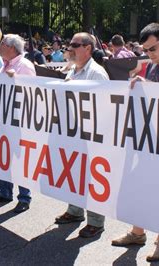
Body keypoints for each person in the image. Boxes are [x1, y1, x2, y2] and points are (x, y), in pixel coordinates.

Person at [112, 23, 159, 262]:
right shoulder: (153, 63)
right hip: (148, 139)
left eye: (152, 48)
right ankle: (137, 232)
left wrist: (147, 86)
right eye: (145, 50)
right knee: (140, 186)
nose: (149, 54)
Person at [54, 32, 109, 238]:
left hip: (89, 135)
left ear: (88, 48)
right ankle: (74, 211)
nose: (70, 48)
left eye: (75, 45)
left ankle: (96, 222)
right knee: (73, 173)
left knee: (90, 178)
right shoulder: (74, 71)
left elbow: (103, 106)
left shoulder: (96, 73)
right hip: (71, 133)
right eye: (70, 44)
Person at [0, 34, 35, 213]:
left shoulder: (25, 66)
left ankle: (24, 197)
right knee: (3, 156)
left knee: (19, 159)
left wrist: (17, 80)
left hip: (18, 122)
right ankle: (5, 191)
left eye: (2, 44)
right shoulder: (4, 65)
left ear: (12, 48)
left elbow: (31, 94)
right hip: (2, 118)